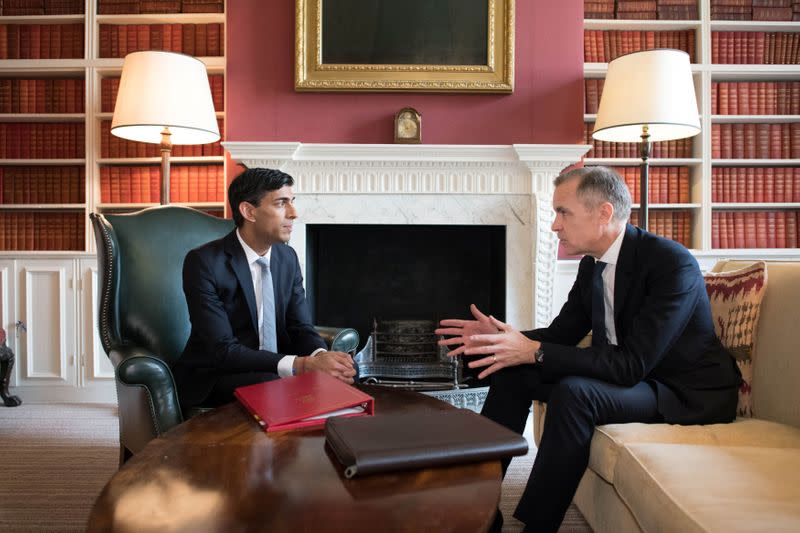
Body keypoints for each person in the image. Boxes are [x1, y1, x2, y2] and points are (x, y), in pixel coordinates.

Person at [435, 166, 741, 533]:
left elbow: (632, 365)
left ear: (604, 213)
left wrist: (532, 350)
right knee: (511, 372)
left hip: (679, 389)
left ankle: (538, 527)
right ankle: (477, 507)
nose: (554, 226)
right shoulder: (591, 267)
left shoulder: (671, 264)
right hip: (629, 377)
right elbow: (562, 334)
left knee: (575, 393)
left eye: (563, 213)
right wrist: (503, 337)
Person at [173, 167, 356, 411]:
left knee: (346, 375)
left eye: (292, 202)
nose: (293, 213)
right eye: (281, 203)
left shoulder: (287, 258)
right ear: (249, 211)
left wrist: (321, 357)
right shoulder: (204, 262)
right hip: (216, 375)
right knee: (272, 384)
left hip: (275, 368)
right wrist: (301, 365)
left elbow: (300, 327)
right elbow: (222, 350)